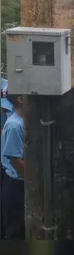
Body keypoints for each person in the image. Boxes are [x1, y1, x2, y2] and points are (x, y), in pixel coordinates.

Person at [1, 94, 24, 239]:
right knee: (15, 228)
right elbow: (15, 160)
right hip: (16, 184)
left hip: (22, 181)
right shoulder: (14, 125)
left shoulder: (26, 121)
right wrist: (34, 182)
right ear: (20, 99)